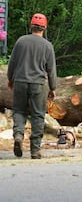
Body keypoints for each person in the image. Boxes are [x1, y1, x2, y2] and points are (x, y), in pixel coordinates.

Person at [7, 13, 57, 159]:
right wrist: (53, 88)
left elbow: (12, 63)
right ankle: (35, 150)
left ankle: (18, 136)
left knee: (19, 111)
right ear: (44, 28)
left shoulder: (21, 41)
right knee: (38, 115)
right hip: (38, 84)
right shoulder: (48, 46)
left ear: (31, 26)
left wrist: (10, 79)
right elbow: (51, 70)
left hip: (20, 82)